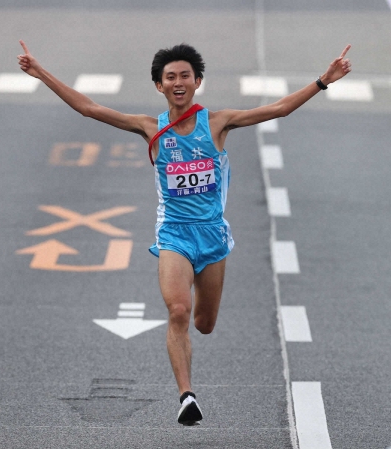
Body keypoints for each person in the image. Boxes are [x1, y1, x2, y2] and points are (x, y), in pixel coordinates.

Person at [18, 40, 351, 426]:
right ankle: (186, 396)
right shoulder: (149, 128)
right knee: (178, 309)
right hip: (173, 234)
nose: (178, 82)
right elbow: (89, 109)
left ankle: (194, 341)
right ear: (159, 85)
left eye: (185, 76)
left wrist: (323, 81)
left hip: (212, 235)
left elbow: (277, 109)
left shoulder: (218, 123)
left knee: (204, 324)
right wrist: (40, 72)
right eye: (170, 77)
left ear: (197, 82)